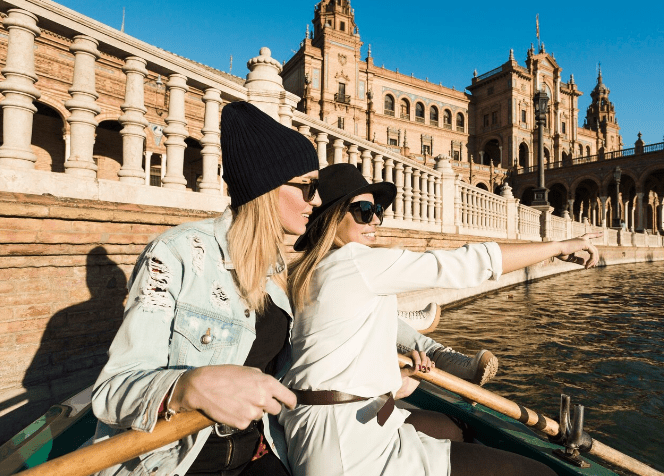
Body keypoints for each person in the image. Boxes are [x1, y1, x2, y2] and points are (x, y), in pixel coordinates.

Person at [280, 163, 600, 476]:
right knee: (538, 472)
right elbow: (462, 263)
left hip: (334, 427)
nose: (376, 218)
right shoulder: (355, 261)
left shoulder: (310, 271)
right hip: (351, 448)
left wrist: (390, 382)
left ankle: (437, 353)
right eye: (365, 209)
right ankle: (438, 353)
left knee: (456, 429)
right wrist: (558, 246)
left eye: (377, 208)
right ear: (334, 217)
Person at [91, 101, 320, 476]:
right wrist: (187, 386)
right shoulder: (175, 253)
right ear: (267, 185)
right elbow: (112, 391)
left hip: (261, 453)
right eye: (309, 187)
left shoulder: (277, 270)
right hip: (174, 462)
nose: (318, 201)